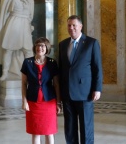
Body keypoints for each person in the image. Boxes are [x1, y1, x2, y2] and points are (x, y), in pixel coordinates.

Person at [58, 15, 103, 144]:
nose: (71, 28)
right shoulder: (63, 44)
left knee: (86, 128)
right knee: (70, 129)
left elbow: (97, 68)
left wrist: (97, 89)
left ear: (81, 26)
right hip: (67, 94)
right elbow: (61, 70)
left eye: (74, 25)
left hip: (85, 93)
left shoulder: (91, 43)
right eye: (69, 25)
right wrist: (59, 95)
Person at [21, 37, 61, 144]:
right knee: (36, 132)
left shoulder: (52, 63)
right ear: (35, 47)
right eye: (38, 45)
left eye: (43, 45)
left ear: (47, 48)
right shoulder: (27, 62)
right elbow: (24, 84)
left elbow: (56, 84)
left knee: (49, 131)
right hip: (33, 102)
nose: (40, 48)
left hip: (49, 102)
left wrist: (58, 102)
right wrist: (24, 101)